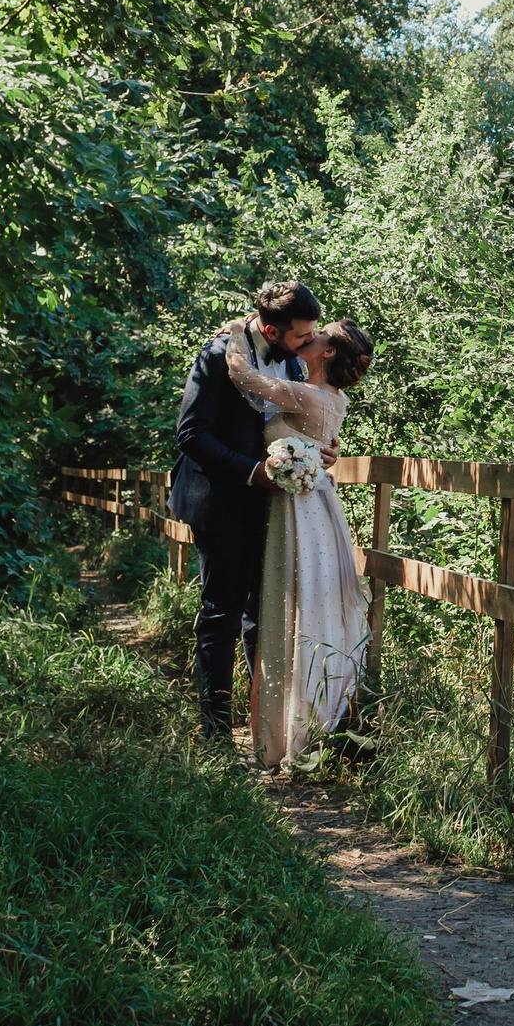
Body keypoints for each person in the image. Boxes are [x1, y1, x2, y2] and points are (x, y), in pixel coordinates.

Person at [173, 280, 330, 739]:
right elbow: (191, 434)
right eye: (301, 335)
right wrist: (253, 471)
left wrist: (317, 451)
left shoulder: (289, 359)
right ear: (271, 328)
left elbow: (289, 421)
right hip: (220, 498)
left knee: (263, 612)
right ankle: (217, 733)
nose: (308, 343)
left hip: (274, 504)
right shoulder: (219, 355)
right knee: (221, 612)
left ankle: (266, 725)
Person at [226, 316, 377, 767]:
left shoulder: (304, 393)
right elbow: (318, 443)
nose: (309, 337)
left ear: (328, 353)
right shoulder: (335, 398)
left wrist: (238, 328)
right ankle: (316, 723)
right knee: (310, 607)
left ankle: (291, 735)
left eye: (319, 335)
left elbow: (241, 375)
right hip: (318, 508)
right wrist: (315, 456)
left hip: (297, 511)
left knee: (290, 606)